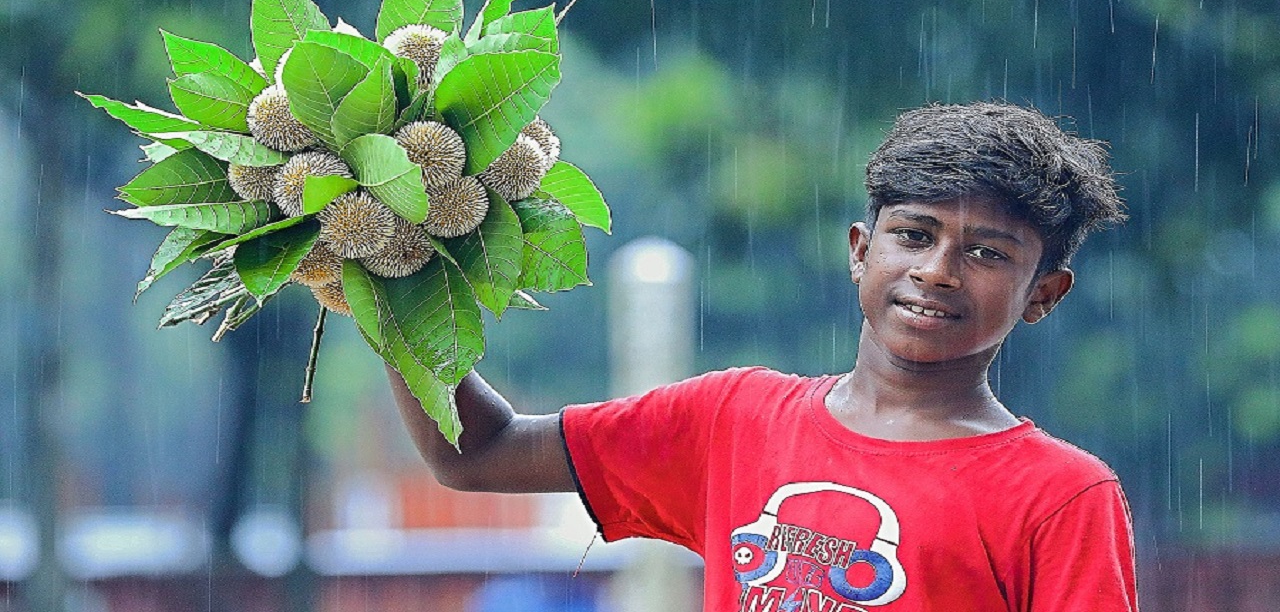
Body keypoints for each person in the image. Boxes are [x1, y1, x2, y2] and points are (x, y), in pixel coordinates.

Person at [387, 101, 1139, 611]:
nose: (939, 269)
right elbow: (476, 452)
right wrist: (389, 280)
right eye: (914, 234)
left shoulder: (1061, 495)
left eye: (986, 252)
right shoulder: (733, 418)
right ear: (860, 250)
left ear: (1045, 293)